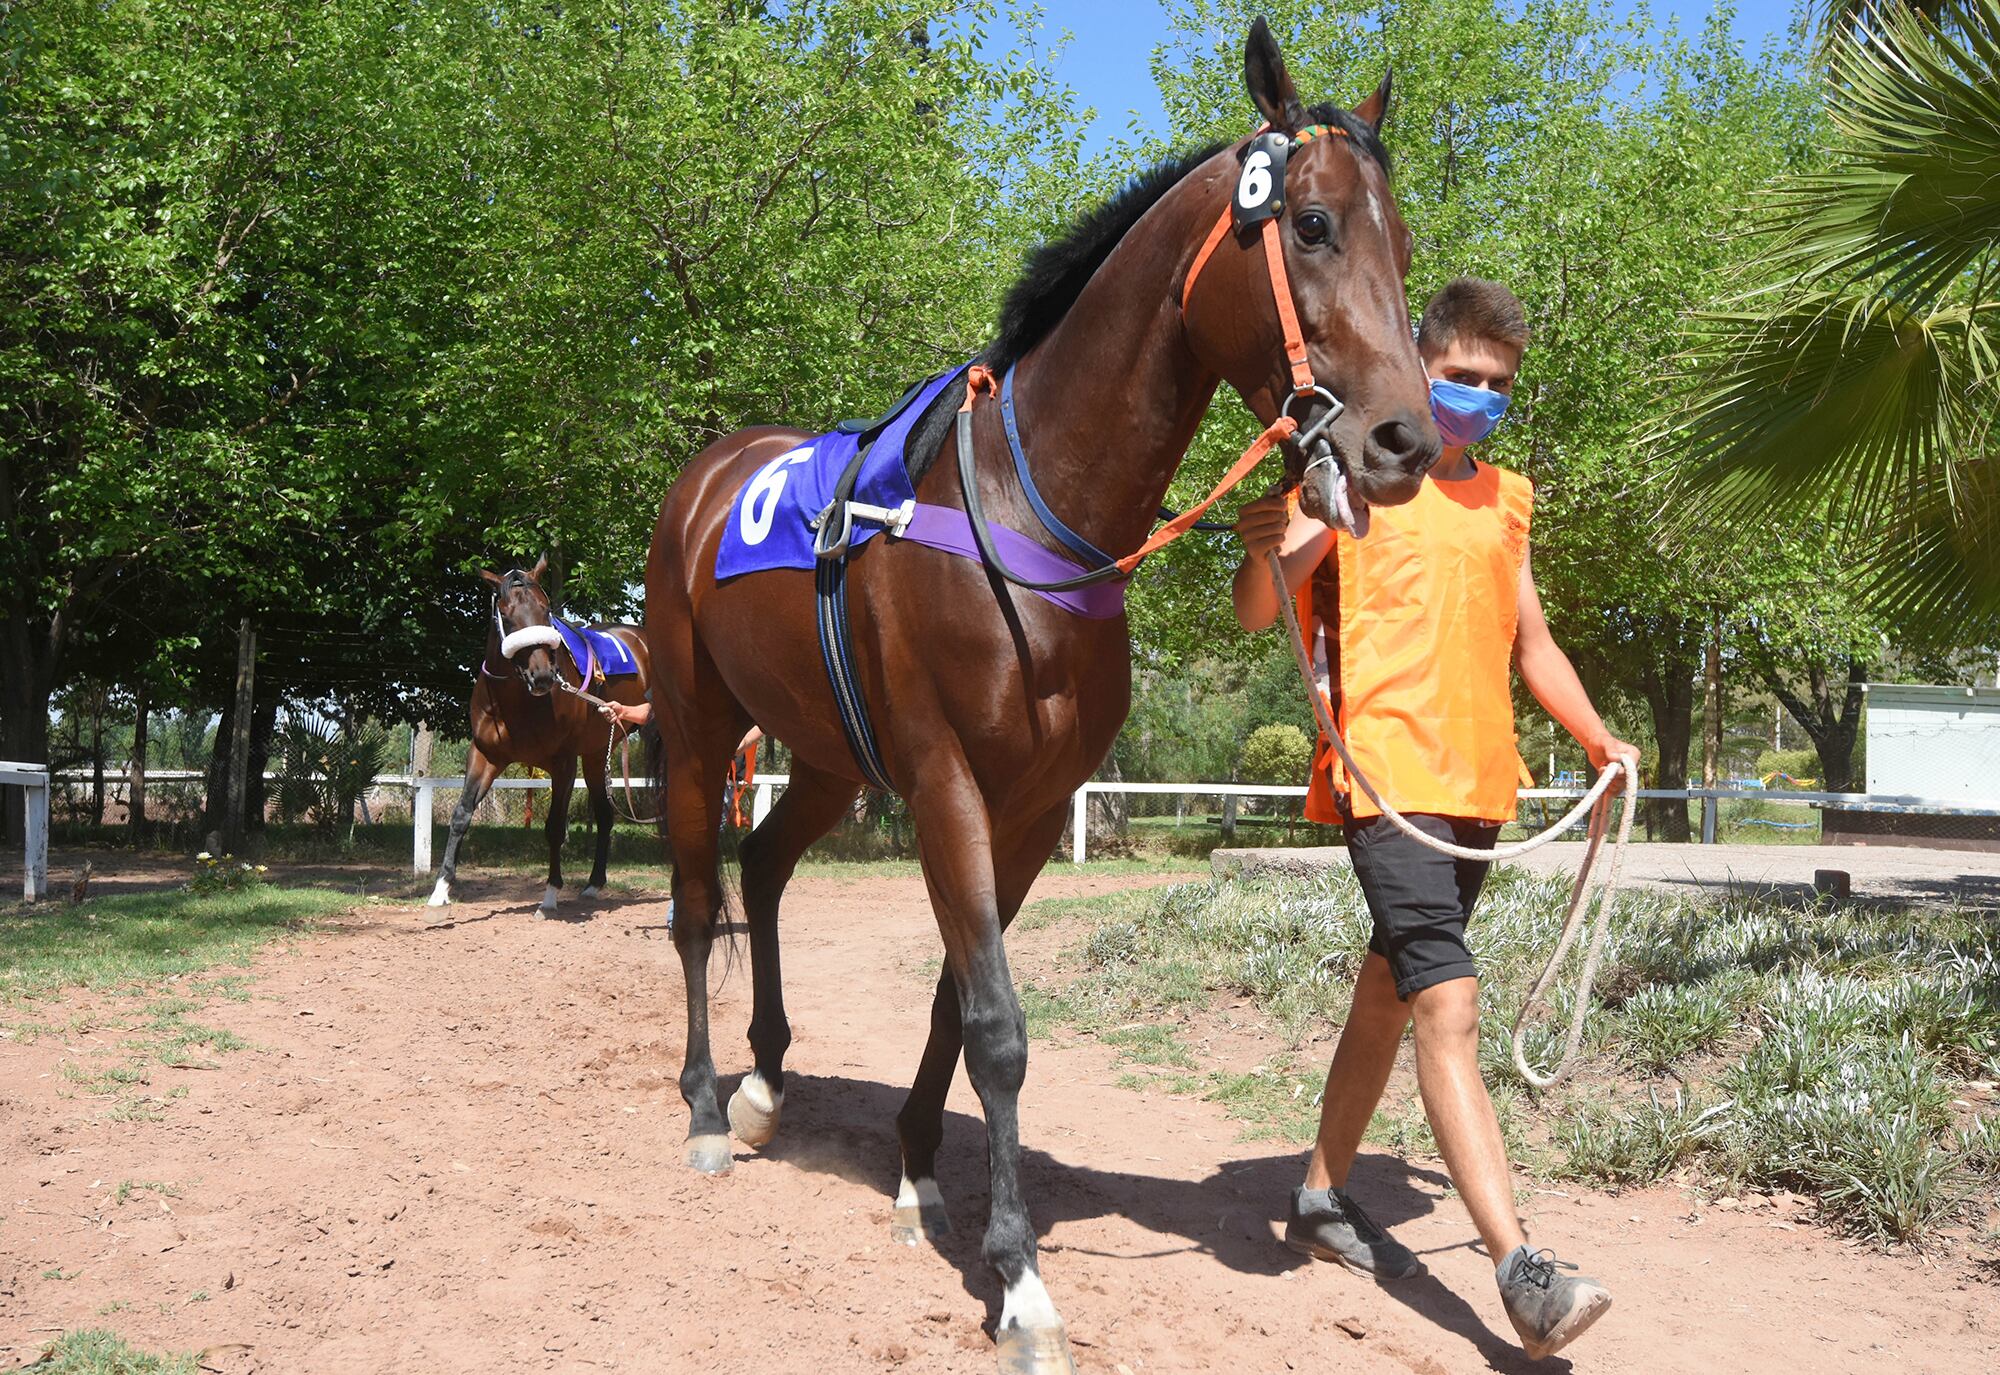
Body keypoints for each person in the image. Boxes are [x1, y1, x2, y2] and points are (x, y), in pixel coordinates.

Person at [1231, 277, 1640, 1361]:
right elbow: (1256, 605)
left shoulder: (1506, 499)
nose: (1477, 397)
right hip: (1384, 781)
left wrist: (1600, 741)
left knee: (1387, 988)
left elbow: (1532, 644)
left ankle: (1320, 1196)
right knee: (1445, 1004)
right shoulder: (1354, 480)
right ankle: (1520, 1270)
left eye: (1495, 385)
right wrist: (1286, 534)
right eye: (1459, 376)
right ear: (1417, 367)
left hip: (1477, 789)